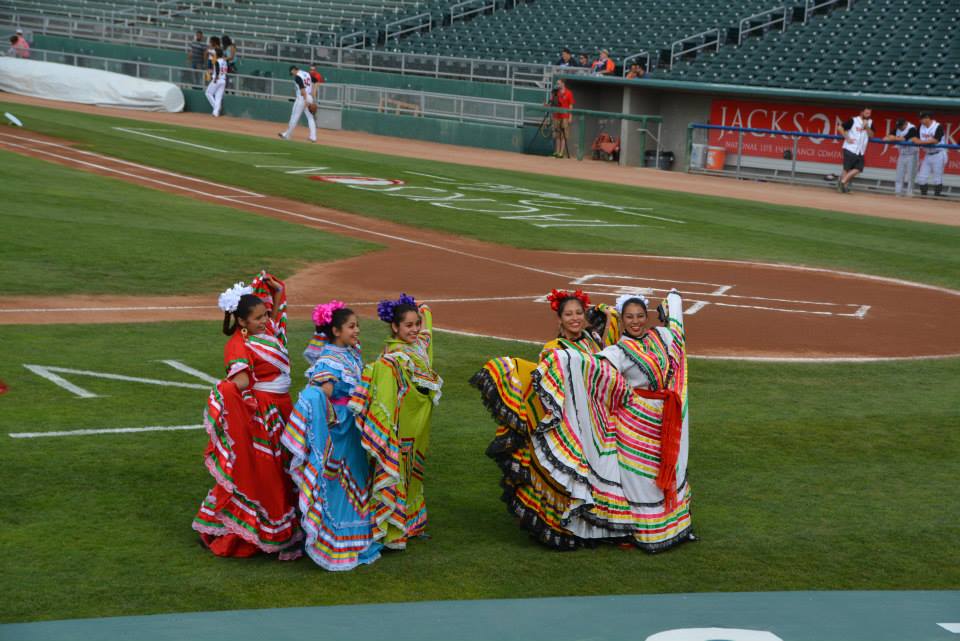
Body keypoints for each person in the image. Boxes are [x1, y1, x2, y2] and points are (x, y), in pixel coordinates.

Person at [528, 291, 695, 552]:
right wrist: (565, 361)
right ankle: (643, 533)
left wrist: (672, 301)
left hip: (663, 418)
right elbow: (594, 368)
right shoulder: (614, 351)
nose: (635, 321)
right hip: (628, 422)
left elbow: (676, 330)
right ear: (559, 319)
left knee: (667, 472)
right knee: (640, 481)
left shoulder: (650, 338)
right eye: (630, 316)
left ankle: (673, 526)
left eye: (640, 315)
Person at [470, 289, 619, 549]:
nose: (574, 318)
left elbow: (610, 351)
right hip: (568, 423)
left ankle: (591, 526)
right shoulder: (552, 349)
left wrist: (606, 312)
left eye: (578, 313)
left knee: (595, 476)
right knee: (570, 477)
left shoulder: (592, 339)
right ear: (559, 320)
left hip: (594, 420)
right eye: (568, 314)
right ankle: (562, 528)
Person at [192, 272, 301, 559]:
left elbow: (276, 316)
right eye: (258, 318)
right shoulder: (239, 345)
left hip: (282, 408)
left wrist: (278, 291)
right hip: (265, 413)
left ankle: (273, 525)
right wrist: (224, 390)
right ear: (242, 321)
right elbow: (240, 380)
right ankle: (246, 532)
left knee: (281, 469)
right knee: (264, 472)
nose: (264, 321)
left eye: (265, 315)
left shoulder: (267, 332)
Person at [282, 301, 382, 571]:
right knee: (339, 485)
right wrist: (315, 401)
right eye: (352, 326)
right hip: (341, 432)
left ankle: (357, 538)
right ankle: (336, 541)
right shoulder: (328, 361)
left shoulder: (351, 353)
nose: (357, 330)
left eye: (357, 325)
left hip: (354, 432)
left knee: (358, 482)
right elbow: (322, 391)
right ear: (336, 330)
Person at [349, 294, 442, 550]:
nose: (415, 330)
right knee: (397, 472)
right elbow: (384, 383)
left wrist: (421, 308)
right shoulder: (393, 356)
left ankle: (411, 523)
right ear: (395, 327)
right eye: (409, 325)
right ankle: (392, 529)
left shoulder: (418, 345)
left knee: (414, 473)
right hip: (402, 425)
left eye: (416, 323)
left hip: (419, 424)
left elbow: (427, 328)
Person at [837, 107, 874, 194]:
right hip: (850, 147)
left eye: (869, 113)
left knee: (859, 168)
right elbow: (840, 128)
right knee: (846, 169)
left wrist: (867, 127)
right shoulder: (853, 120)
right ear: (862, 113)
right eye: (866, 113)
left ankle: (842, 182)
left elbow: (872, 135)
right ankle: (844, 187)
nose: (868, 115)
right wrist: (847, 138)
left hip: (861, 150)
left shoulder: (870, 122)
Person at [278, 65, 317, 143]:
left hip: (302, 98)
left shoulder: (297, 77)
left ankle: (287, 135)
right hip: (309, 97)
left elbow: (302, 90)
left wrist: (305, 101)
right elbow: (315, 82)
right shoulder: (307, 73)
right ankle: (313, 137)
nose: (292, 74)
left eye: (291, 72)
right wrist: (312, 96)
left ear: (293, 70)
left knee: (294, 117)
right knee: (310, 118)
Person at [913, 111, 948, 198]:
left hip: (938, 154)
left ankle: (937, 197)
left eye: (922, 118)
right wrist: (916, 140)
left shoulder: (937, 126)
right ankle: (924, 196)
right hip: (928, 154)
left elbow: (936, 140)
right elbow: (914, 137)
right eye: (920, 118)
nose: (920, 120)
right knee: (921, 177)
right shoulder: (921, 127)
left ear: (928, 118)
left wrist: (921, 142)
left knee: (937, 177)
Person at [882, 118, 919, 197]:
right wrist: (889, 137)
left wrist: (893, 138)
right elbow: (888, 136)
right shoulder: (898, 128)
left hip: (912, 155)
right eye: (898, 126)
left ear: (906, 124)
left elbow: (904, 138)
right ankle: (898, 193)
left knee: (911, 176)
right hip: (902, 154)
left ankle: (909, 193)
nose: (899, 128)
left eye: (901, 126)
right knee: (899, 175)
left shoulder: (912, 128)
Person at [551, 78, 574, 158]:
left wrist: (570, 116)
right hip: (556, 115)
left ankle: (561, 152)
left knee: (563, 135)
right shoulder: (556, 92)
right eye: (557, 83)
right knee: (557, 134)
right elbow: (552, 103)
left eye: (559, 83)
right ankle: (557, 152)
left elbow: (571, 105)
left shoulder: (569, 93)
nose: (558, 85)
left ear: (563, 84)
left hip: (565, 116)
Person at [204, 47, 227, 117]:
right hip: (223, 80)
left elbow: (217, 68)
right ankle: (215, 113)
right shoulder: (224, 61)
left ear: (217, 54)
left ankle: (216, 108)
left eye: (215, 53)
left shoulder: (217, 61)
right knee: (218, 97)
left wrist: (216, 77)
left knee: (208, 93)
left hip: (217, 79)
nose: (214, 53)